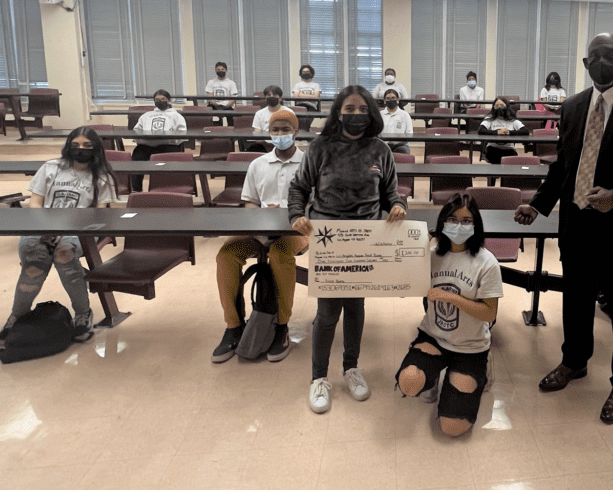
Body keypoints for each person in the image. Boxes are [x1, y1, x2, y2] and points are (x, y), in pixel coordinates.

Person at [514, 33, 613, 424]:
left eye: (610, 55)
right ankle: (574, 361)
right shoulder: (572, 106)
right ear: (585, 63)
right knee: (575, 299)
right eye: (595, 57)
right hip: (576, 223)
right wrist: (538, 205)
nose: (602, 62)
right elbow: (565, 166)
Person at [288, 85, 408, 414]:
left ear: (371, 112)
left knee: (355, 307)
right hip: (330, 240)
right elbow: (298, 186)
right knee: (327, 313)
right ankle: (318, 378)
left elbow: (391, 193)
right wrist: (297, 214)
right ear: (338, 112)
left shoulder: (381, 150)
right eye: (349, 109)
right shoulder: (320, 147)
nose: (355, 115)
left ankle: (351, 368)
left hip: (365, 239)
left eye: (361, 109)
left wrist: (397, 205)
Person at [0, 127, 118, 346]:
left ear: (96, 149)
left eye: (86, 146)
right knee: (34, 259)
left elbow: (99, 212)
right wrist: (46, 226)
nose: (80, 150)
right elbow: (35, 203)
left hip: (77, 231)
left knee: (64, 255)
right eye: (76, 145)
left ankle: (83, 313)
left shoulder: (101, 176)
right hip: (41, 227)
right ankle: (18, 314)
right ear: (68, 146)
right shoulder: (50, 168)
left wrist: (68, 230)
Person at [395, 193, 502, 437]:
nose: (459, 225)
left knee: (452, 428)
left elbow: (489, 313)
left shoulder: (487, 263)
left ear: (476, 225)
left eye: (466, 220)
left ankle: (477, 373)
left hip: (471, 345)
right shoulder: (431, 255)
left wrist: (452, 297)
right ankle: (431, 378)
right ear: (443, 222)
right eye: (453, 219)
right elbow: (404, 281)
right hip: (434, 336)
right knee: (409, 383)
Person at [213, 110, 309, 363]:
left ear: (295, 132)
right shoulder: (258, 164)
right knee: (226, 255)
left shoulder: (309, 163)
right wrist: (260, 226)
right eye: (275, 130)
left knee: (279, 254)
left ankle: (282, 326)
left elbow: (317, 205)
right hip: (259, 232)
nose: (280, 135)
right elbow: (250, 203)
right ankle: (233, 326)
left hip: (297, 232)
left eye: (285, 129)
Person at [131, 89, 186, 192]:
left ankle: (167, 189)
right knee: (137, 159)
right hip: (147, 146)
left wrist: (170, 138)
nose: (160, 101)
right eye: (157, 99)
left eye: (163, 99)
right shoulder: (146, 115)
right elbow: (137, 130)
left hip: (168, 145)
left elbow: (182, 132)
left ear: (169, 100)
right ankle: (136, 190)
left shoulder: (177, 116)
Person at [478, 96, 529, 165]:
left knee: (510, 162)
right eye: (497, 105)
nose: (499, 108)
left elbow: (525, 132)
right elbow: (481, 130)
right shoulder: (490, 118)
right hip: (492, 149)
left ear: (507, 107)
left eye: (502, 105)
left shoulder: (512, 120)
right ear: (493, 107)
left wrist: (509, 132)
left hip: (509, 149)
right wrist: (497, 132)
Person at [247, 85, 293, 153]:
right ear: (265, 98)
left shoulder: (289, 113)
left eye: (274, 95)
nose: (271, 97)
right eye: (269, 95)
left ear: (280, 98)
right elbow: (257, 133)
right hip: (264, 144)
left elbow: (290, 132)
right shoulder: (259, 113)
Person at [379, 89, 413, 154]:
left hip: (400, 145)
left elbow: (409, 133)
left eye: (393, 98)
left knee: (404, 152)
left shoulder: (405, 115)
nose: (390, 100)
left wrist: (398, 143)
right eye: (388, 98)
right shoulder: (380, 115)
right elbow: (376, 132)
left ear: (397, 99)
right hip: (383, 145)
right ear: (384, 100)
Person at [206, 61, 238, 126]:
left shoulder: (231, 83)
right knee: (207, 113)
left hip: (227, 106)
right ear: (215, 71)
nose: (220, 71)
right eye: (218, 70)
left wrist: (225, 107)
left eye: (222, 69)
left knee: (231, 115)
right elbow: (210, 96)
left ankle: (231, 134)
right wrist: (217, 106)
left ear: (226, 70)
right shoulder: (211, 82)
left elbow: (233, 98)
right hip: (214, 106)